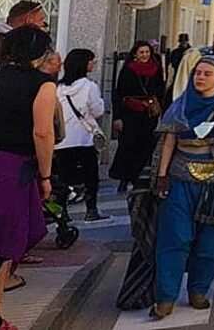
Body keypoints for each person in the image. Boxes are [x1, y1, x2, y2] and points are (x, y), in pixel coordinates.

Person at [150, 51, 214, 318]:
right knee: (175, 237)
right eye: (198, 73)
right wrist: (161, 175)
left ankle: (199, 290)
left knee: (211, 240)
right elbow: (169, 141)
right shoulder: (179, 105)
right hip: (181, 179)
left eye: (207, 74)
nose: (201, 78)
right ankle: (166, 297)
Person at [0, 26, 58, 327]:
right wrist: (45, 176)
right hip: (11, 168)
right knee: (2, 246)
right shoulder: (43, 85)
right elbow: (43, 132)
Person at [55, 49, 109, 222]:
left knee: (64, 177)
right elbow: (98, 110)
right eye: (92, 61)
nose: (93, 64)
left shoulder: (59, 88)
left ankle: (61, 211)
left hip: (63, 139)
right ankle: (91, 209)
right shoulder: (89, 86)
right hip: (85, 138)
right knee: (90, 176)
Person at [110, 40, 165, 192]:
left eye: (147, 52)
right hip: (130, 113)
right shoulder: (128, 70)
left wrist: (157, 104)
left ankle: (137, 178)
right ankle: (124, 177)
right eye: (142, 52)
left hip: (148, 114)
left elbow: (160, 89)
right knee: (128, 145)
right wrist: (117, 116)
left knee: (145, 146)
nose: (145, 55)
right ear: (135, 54)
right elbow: (119, 93)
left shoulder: (156, 69)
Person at [164, 33, 191, 105]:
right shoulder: (175, 52)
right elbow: (172, 66)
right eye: (182, 42)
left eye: (185, 41)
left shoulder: (191, 53)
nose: (183, 43)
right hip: (176, 77)